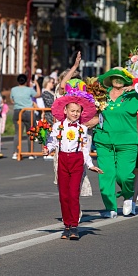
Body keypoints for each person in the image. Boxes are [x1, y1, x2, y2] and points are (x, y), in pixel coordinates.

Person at [93, 68, 138, 217]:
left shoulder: (132, 96)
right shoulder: (102, 96)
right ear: (110, 80)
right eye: (114, 77)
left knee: (124, 176)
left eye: (121, 77)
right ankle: (110, 208)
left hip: (127, 142)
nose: (117, 80)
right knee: (106, 175)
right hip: (104, 141)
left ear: (126, 80)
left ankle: (128, 196)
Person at [44, 89, 102, 239]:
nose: (75, 114)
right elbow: (52, 142)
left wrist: (90, 165)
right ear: (65, 111)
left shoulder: (83, 129)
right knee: (63, 195)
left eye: (77, 111)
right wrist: (47, 149)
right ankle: (66, 226)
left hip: (77, 161)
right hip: (63, 159)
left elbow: (85, 149)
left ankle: (75, 226)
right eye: (72, 111)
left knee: (73, 194)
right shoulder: (58, 127)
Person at [10, 73, 40, 159]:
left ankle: (15, 152)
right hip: (28, 112)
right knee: (30, 133)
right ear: (26, 81)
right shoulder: (29, 90)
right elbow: (38, 94)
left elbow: (12, 100)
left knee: (17, 133)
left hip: (17, 112)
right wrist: (36, 83)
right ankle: (31, 153)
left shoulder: (13, 89)